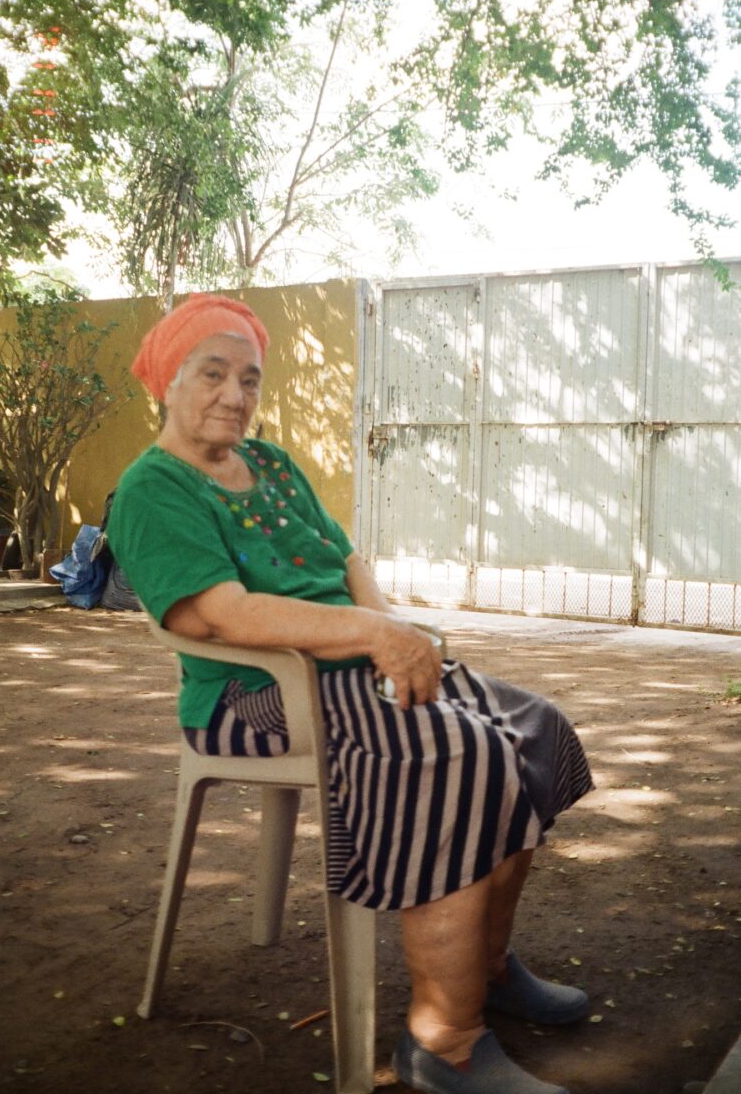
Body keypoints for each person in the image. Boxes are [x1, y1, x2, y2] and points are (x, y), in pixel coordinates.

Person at [107, 293, 595, 1094]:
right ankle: (446, 1041)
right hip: (254, 693)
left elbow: (345, 559)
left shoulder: (271, 463)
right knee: (458, 753)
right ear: (168, 381)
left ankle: (488, 964)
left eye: (249, 379)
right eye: (213, 373)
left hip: (346, 665)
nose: (235, 395)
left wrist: (388, 624)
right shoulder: (153, 489)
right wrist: (374, 639)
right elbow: (225, 617)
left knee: (534, 729)